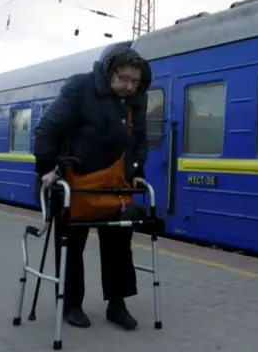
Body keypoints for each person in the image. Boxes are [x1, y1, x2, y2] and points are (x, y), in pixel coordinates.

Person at [33, 45, 151, 330]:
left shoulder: (137, 98)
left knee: (120, 246)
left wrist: (137, 171)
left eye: (135, 81)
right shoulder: (80, 88)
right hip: (75, 183)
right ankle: (71, 305)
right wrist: (47, 168)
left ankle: (117, 304)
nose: (129, 85)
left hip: (115, 184)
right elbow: (47, 128)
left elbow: (138, 138)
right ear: (109, 73)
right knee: (72, 247)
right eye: (124, 78)